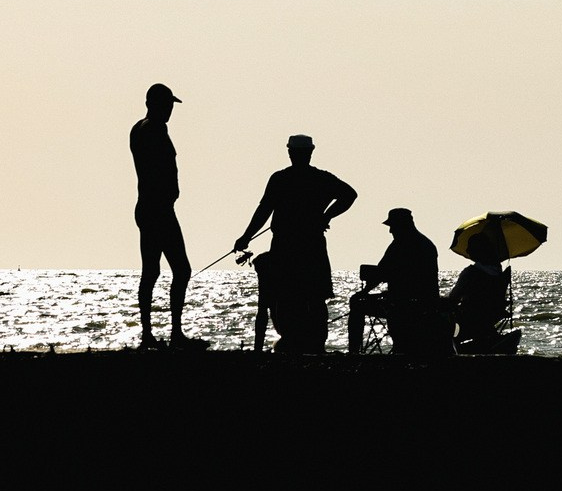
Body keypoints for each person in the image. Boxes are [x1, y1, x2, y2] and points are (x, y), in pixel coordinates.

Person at [234, 134, 357, 353]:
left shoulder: (280, 179)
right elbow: (349, 195)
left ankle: (294, 342)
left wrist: (246, 237)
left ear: (290, 152)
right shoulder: (321, 178)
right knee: (315, 297)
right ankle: (315, 346)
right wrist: (326, 216)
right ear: (311, 152)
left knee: (288, 297)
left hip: (286, 247)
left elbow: (264, 210)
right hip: (311, 246)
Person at [129, 83, 208, 351]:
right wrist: (168, 195)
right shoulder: (155, 129)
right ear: (156, 104)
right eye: (168, 105)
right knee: (181, 270)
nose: (171, 110)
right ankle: (174, 334)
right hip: (158, 209)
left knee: (151, 271)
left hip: (148, 207)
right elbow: (159, 168)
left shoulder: (137, 128)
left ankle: (148, 334)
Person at [348, 208, 449, 355]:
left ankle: (353, 353)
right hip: (428, 302)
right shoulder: (427, 244)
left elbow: (380, 273)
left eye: (392, 227)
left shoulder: (399, 245)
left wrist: (364, 291)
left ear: (401, 225)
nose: (390, 231)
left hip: (402, 303)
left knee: (357, 303)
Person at [446, 233, 511, 351]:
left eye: (470, 247)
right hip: (491, 317)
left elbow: (453, 298)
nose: (467, 250)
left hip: (471, 319)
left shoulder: (470, 273)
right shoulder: (499, 274)